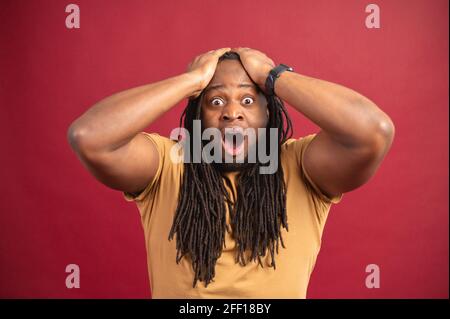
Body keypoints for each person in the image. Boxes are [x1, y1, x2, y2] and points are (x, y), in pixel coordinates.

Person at [67, 47, 395, 298]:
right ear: (198, 117)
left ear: (270, 115)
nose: (232, 112)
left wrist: (274, 75)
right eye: (216, 101)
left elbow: (372, 131)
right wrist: (191, 82)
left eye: (249, 100)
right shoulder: (169, 164)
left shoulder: (299, 166)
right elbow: (90, 137)